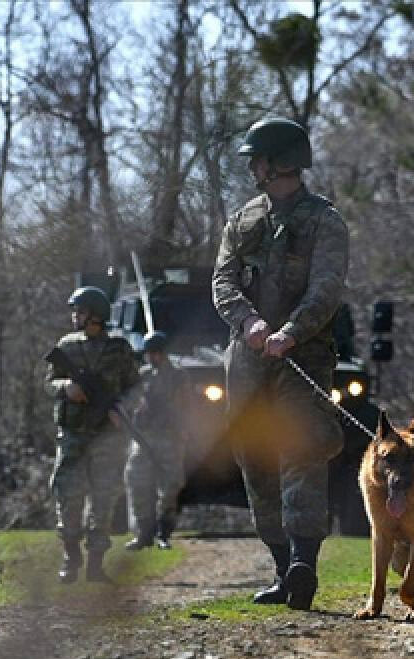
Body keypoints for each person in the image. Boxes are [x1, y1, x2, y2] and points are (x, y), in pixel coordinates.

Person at [212, 116, 349, 611]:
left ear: (276, 163)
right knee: (254, 458)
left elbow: (327, 289)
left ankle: (303, 564)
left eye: (257, 159)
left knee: (301, 451)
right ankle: (280, 568)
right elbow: (222, 281)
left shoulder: (325, 221)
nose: (252, 167)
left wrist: (291, 332)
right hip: (247, 361)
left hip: (304, 358)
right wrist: (248, 323)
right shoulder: (243, 221)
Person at [44, 287, 139, 583]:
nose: (75, 316)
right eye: (76, 311)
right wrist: (65, 388)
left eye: (81, 311)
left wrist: (121, 409)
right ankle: (70, 556)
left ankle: (96, 563)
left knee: (104, 499)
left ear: (96, 315)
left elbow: (135, 388)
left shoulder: (119, 349)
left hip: (108, 436)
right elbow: (49, 382)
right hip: (72, 434)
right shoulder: (67, 346)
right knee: (68, 496)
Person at [122, 331, 189, 550]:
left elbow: (184, 406)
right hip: (144, 437)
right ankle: (143, 533)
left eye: (155, 353)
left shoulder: (178, 376)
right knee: (137, 482)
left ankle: (164, 532)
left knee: (170, 486)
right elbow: (129, 401)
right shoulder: (142, 376)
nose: (152, 357)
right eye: (148, 353)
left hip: (170, 437)